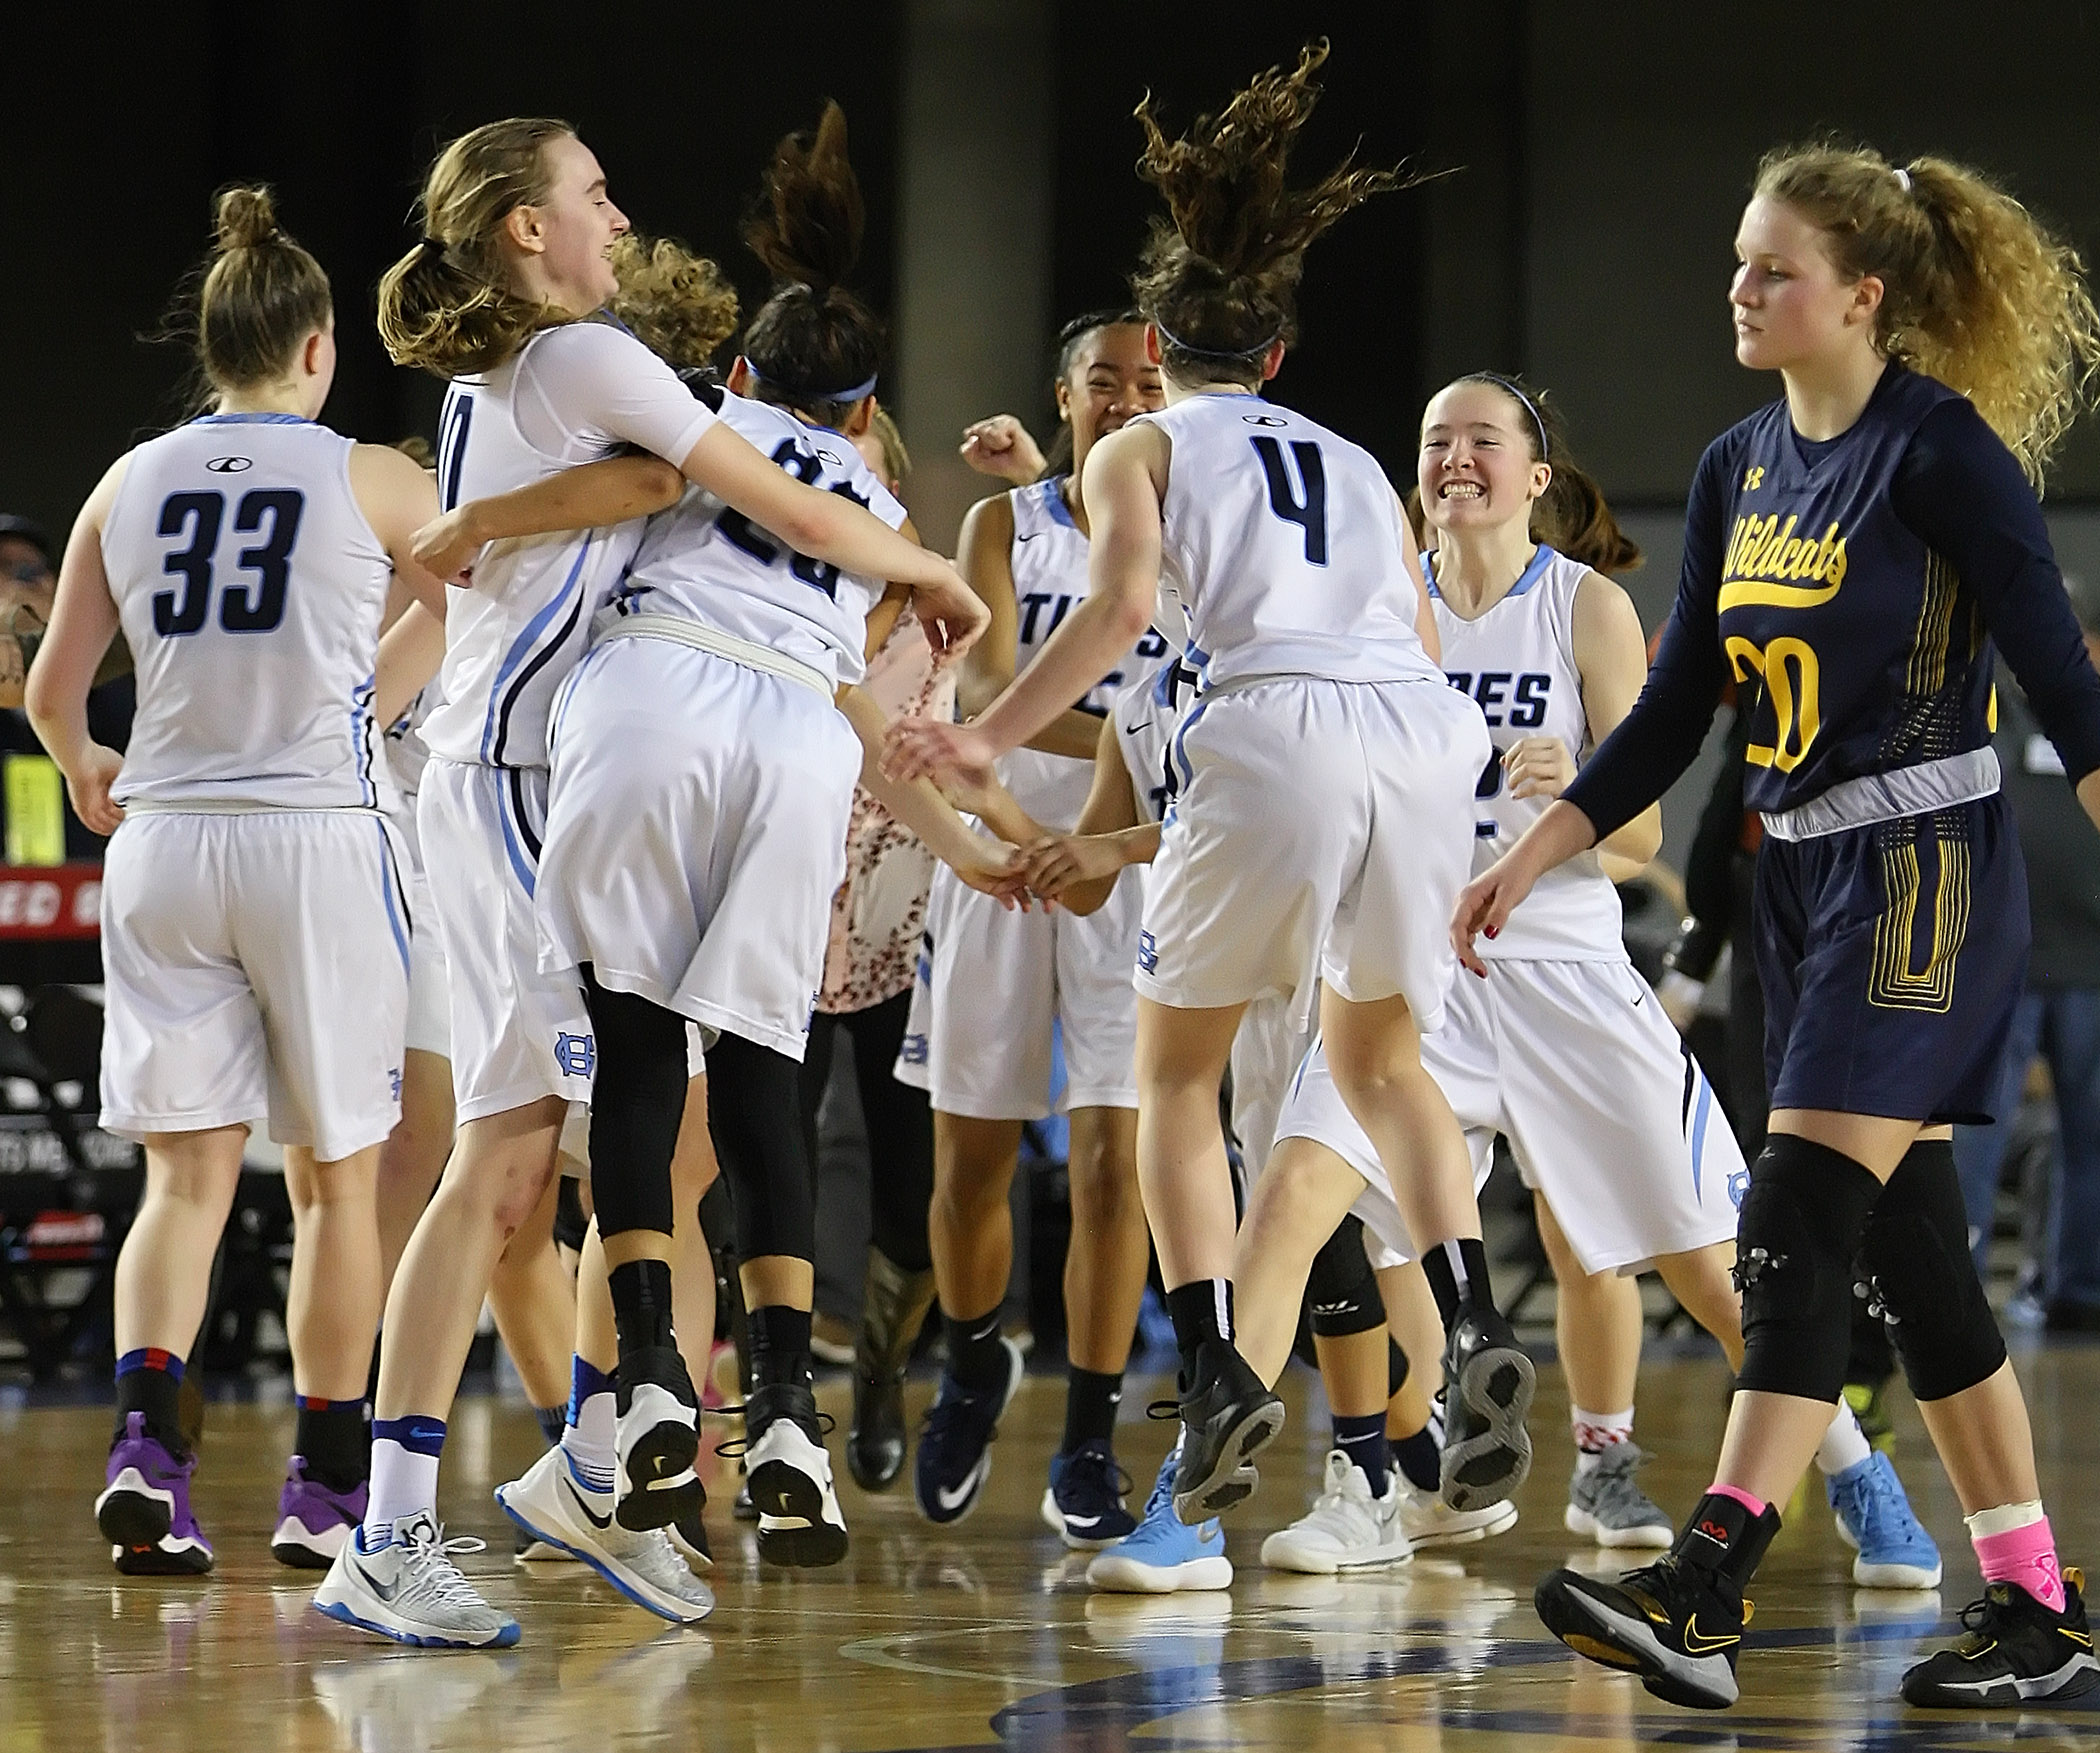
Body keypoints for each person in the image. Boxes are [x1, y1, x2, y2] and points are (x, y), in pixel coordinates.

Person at [312, 115, 981, 1650]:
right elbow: (786, 506)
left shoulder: (524, 378)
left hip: (530, 767)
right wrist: (929, 569)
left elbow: (587, 525)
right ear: (520, 230)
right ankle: (395, 1527)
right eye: (593, 193)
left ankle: (595, 1462)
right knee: (504, 1164)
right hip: (518, 786)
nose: (619, 214)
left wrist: (452, 567)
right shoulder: (592, 362)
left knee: (599, 1145)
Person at [1458, 144, 2100, 1711]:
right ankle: (2037, 1604)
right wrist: (1537, 846)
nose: (1740, 291)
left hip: (1926, 873)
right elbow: (1677, 709)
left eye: (1774, 270)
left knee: (1794, 1208)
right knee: (1915, 1261)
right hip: (1801, 888)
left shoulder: (1942, 455)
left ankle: (1709, 1578)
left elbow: (2072, 698)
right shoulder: (1743, 463)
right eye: (1739, 263)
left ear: (1863, 296)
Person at [887, 42, 1532, 1528]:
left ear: (1159, 362)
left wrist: (986, 741)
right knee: (1382, 1064)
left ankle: (1221, 1367)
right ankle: (1481, 1316)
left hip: (1278, 727)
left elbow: (1115, 623)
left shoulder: (1146, 449)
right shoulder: (1364, 463)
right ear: (1281, 359)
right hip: (1423, 736)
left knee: (1176, 1076)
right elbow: (1426, 640)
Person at [505, 104, 1012, 1583]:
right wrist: (977, 836)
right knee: (765, 1072)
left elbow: (641, 490)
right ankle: (786, 1407)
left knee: (634, 1046)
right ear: (866, 411)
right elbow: (860, 678)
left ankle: (657, 1370)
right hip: (798, 732)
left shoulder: (682, 417)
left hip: (654, 692)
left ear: (737, 373)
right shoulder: (876, 493)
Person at [24, 188, 445, 1576]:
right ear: (319, 350)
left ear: (210, 348)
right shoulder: (374, 474)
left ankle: (149, 1451)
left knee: (183, 1181)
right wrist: (367, 706)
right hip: (314, 836)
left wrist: (89, 761)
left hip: (162, 843)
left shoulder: (127, 477)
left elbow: (49, 687)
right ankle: (325, 1491)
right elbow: (469, 602)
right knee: (335, 1184)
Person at [897, 309, 1165, 1544]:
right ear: (1064, 397)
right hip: (1002, 844)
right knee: (971, 1161)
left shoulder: (1192, 529)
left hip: (1134, 858)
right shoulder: (1004, 522)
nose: (1125, 400)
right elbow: (996, 694)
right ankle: (970, 1360)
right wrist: (1130, 727)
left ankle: (1092, 1436)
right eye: (1103, 382)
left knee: (1119, 1163)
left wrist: (1117, 775)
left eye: (1146, 382)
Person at [802, 408, 956, 1493]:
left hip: (909, 910)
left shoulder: (941, 602)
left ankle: (883, 1372)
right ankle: (770, 1392)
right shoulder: (778, 593)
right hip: (788, 907)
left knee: (915, 1182)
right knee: (760, 1156)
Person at [1951, 570, 2100, 1331]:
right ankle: (1957, 1288)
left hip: (2092, 962)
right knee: (1976, 1127)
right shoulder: (1982, 701)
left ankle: (2081, 1289)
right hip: (1997, 958)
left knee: (2092, 1134)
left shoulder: (2091, 711)